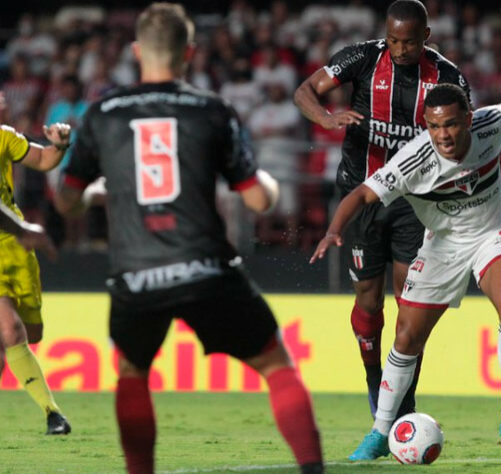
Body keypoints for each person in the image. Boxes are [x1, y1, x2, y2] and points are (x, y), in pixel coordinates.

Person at [53, 4, 323, 474]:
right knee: (275, 363)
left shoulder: (102, 114)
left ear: (137, 51)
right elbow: (258, 201)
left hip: (136, 273)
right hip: (205, 268)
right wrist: (273, 184)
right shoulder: (211, 109)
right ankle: (312, 468)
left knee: (133, 371)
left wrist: (95, 193)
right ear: (190, 53)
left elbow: (65, 203)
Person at [310, 84, 501, 459]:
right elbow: (362, 194)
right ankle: (380, 432)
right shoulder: (413, 161)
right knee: (407, 337)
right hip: (442, 244)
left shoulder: (490, 124)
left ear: (469, 120)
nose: (444, 134)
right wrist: (333, 230)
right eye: (435, 126)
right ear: (426, 124)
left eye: (453, 125)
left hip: (494, 230)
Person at [294, 0, 471, 420]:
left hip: (416, 203)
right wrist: (325, 118)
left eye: (409, 42)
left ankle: (404, 401)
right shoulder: (362, 57)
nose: (400, 49)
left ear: (425, 37)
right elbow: (305, 91)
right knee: (369, 303)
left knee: (411, 304)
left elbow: (466, 130)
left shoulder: (447, 77)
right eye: (393, 40)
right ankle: (376, 383)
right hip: (364, 195)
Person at [0, 119, 71, 435]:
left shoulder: (4, 137)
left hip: (16, 247)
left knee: (32, 333)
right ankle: (52, 413)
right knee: (11, 331)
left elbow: (43, 160)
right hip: (18, 233)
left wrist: (60, 145)